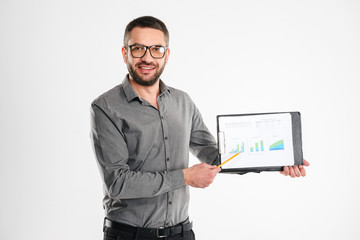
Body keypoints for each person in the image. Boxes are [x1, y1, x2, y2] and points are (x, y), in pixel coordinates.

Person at [90, 16, 309, 240]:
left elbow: (217, 155)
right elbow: (118, 182)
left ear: (167, 54)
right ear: (125, 53)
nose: (147, 57)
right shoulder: (106, 107)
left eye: (156, 49)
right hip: (130, 235)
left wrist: (277, 160)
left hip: (182, 233)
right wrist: (184, 177)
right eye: (138, 48)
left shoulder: (182, 101)